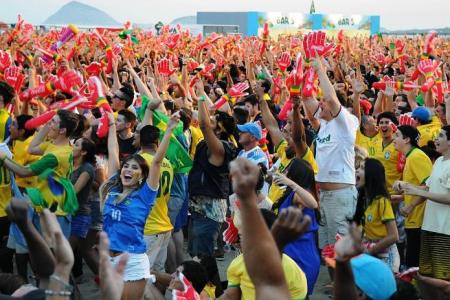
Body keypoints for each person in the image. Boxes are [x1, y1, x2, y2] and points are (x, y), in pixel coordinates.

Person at [100, 111, 178, 299]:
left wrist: (168, 131)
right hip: (109, 261)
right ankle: (178, 282)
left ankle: (181, 283)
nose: (128, 169)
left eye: (135, 168)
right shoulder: (112, 191)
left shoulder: (144, 196)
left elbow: (157, 162)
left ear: (142, 176)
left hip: (133, 261)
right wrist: (111, 125)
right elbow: (113, 152)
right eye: (126, 166)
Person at [301, 56, 359, 251]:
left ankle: (346, 282)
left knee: (340, 248)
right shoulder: (324, 126)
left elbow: (332, 100)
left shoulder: (346, 123)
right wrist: (306, 73)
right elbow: (307, 99)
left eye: (323, 102)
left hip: (340, 195)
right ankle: (335, 282)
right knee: (328, 249)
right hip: (324, 195)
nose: (321, 104)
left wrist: (320, 70)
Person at [0, 109, 79, 238]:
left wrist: (3, 158)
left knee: (51, 256)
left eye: (53, 122)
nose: (48, 124)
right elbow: (32, 149)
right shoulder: (54, 145)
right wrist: (47, 126)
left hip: (56, 213)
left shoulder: (56, 155)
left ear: (63, 130)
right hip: (46, 208)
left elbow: (24, 171)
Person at [398, 125, 450, 300]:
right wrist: (411, 204)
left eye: (441, 136)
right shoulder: (439, 162)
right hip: (429, 226)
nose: (436, 139)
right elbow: (428, 187)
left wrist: (418, 192)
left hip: (445, 229)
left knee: (442, 278)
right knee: (427, 275)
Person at [187, 81, 236, 257]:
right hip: (198, 207)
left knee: (202, 257)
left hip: (209, 211)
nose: (209, 119)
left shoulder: (221, 148)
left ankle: (208, 284)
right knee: (196, 253)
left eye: (213, 120)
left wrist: (200, 95)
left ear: (220, 130)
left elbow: (204, 125)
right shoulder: (205, 144)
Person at [271, 158, 321, 295]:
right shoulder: (293, 194)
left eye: (288, 169)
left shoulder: (299, 196)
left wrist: (291, 183)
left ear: (295, 174)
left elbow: (313, 204)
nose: (285, 172)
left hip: (300, 258)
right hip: (293, 256)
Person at [393, 125, 432, 268]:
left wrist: (410, 206)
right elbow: (417, 187)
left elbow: (428, 187)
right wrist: (400, 198)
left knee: (414, 266)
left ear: (407, 139)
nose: (393, 139)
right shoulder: (411, 156)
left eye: (397, 135)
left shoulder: (417, 156)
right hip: (413, 220)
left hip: (420, 220)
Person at [354, 158, 400, 272]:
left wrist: (371, 251)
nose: (357, 171)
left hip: (386, 256)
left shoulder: (382, 201)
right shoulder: (364, 199)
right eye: (358, 167)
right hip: (371, 252)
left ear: (372, 175)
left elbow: (394, 236)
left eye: (362, 168)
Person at [69, 137, 97, 280]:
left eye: (77, 144)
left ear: (84, 152)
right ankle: (105, 277)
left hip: (80, 216)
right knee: (86, 251)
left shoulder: (87, 169)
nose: (72, 145)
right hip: (67, 214)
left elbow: (73, 192)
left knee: (64, 255)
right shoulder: (69, 164)